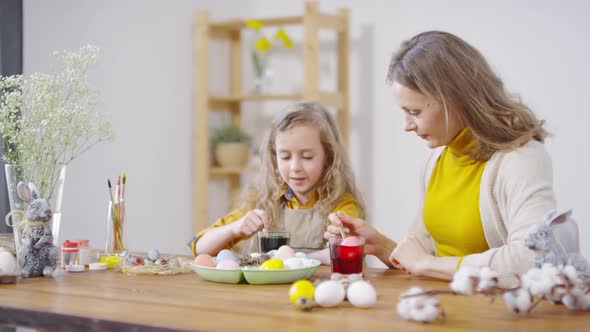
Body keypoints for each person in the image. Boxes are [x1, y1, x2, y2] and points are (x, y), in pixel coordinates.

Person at [325, 31, 579, 286]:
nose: (407, 125)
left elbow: (532, 259)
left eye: (414, 111)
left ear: (454, 101)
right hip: (442, 307)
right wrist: (380, 245)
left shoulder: (521, 159)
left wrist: (427, 264)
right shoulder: (436, 160)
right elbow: (422, 258)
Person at [189, 101, 364, 263]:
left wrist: (291, 257)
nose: (295, 167)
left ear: (329, 157)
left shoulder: (341, 205)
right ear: (274, 157)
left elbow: (346, 251)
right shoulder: (262, 200)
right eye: (285, 156)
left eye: (307, 156)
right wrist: (235, 228)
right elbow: (200, 247)